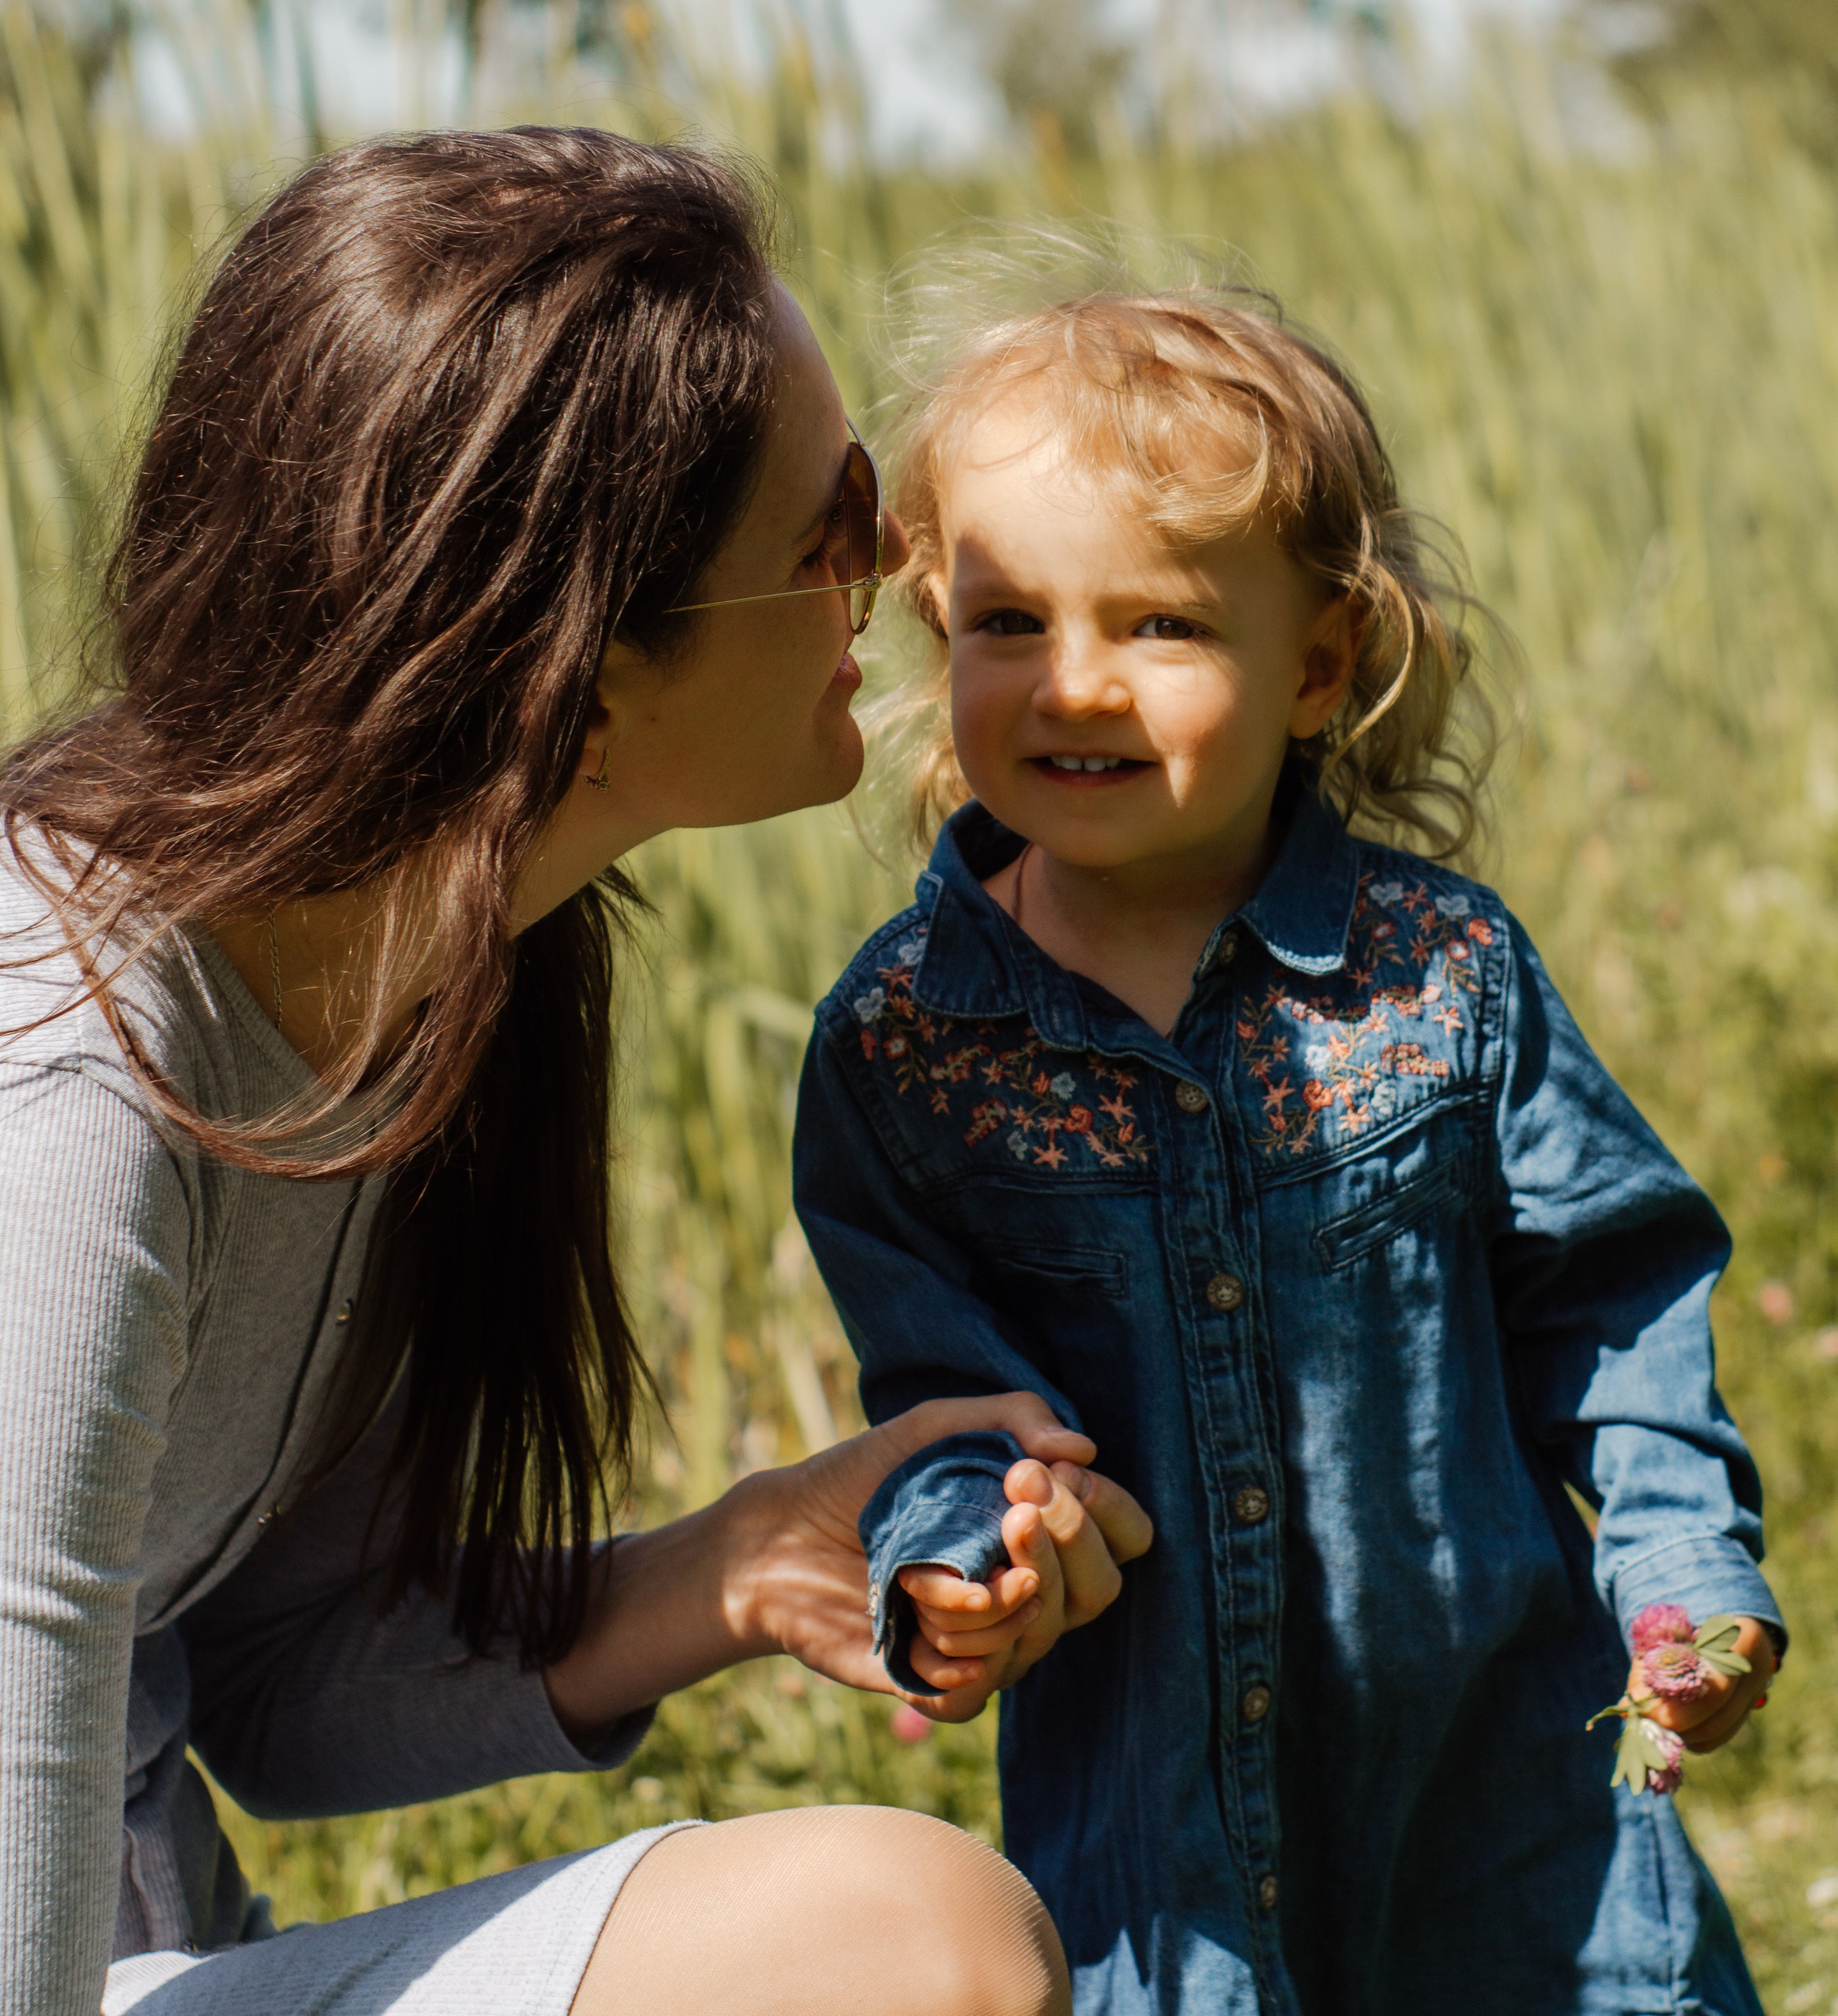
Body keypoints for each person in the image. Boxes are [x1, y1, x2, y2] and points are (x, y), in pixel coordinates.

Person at [0, 127, 1153, 2016]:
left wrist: (745, 1563)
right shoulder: (60, 1093)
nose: (896, 568)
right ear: (580, 673)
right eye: (830, 522)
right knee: (903, 1942)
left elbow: (276, 1676)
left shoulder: (423, 975)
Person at [793, 284, 1784, 2016]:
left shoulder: (1443, 973)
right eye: (1006, 619)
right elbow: (940, 1400)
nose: (1071, 682)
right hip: (1154, 1846)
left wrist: (1681, 1563)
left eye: (1160, 625)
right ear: (933, 619)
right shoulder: (903, 1047)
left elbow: (1612, 1305)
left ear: (1315, 663)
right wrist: (955, 1565)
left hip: (1505, 1812)